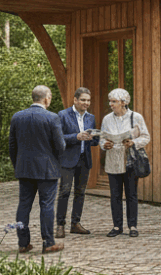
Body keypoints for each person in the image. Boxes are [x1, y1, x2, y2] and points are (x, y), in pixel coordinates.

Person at [8, 85, 66, 254]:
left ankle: (23, 243)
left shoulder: (17, 117)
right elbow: (61, 146)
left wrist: (18, 165)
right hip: (47, 170)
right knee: (46, 205)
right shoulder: (52, 117)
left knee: (23, 205)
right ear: (47, 99)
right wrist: (55, 161)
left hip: (24, 169)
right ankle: (48, 243)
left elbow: (12, 146)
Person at [100, 88, 151, 237]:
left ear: (123, 102)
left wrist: (133, 142)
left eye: (114, 101)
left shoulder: (136, 117)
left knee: (131, 195)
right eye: (110, 101)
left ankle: (132, 226)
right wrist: (104, 144)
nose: (111, 104)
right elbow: (102, 138)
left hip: (130, 161)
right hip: (113, 161)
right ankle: (117, 226)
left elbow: (146, 137)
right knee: (115, 195)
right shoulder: (107, 119)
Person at [56, 87, 98, 239]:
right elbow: (58, 138)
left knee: (80, 192)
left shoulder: (91, 117)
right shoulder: (63, 115)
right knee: (65, 192)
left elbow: (94, 142)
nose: (86, 103)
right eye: (83, 100)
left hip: (84, 159)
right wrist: (76, 137)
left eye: (88, 100)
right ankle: (60, 225)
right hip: (67, 160)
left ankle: (75, 224)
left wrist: (94, 138)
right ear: (75, 100)